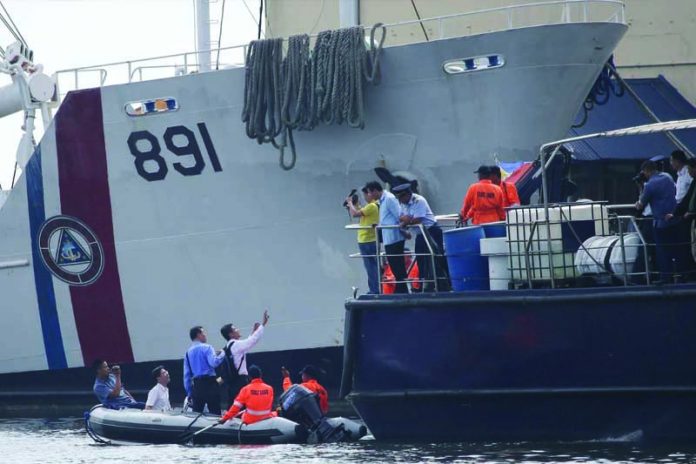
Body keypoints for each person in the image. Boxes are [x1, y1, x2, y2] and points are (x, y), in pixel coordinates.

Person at [393, 183, 445, 292]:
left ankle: (443, 284)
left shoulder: (418, 200)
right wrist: (405, 220)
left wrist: (405, 221)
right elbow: (402, 217)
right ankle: (423, 285)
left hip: (431, 231)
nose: (400, 200)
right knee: (421, 258)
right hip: (420, 233)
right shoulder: (403, 204)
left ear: (407, 194)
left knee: (437, 257)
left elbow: (418, 219)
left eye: (401, 197)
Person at [635, 160, 679, 281]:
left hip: (660, 221)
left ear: (646, 171)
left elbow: (640, 205)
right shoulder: (667, 176)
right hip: (674, 217)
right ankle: (678, 275)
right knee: (674, 248)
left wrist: (641, 188)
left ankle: (665, 277)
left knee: (661, 251)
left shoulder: (649, 185)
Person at [219, 309, 269, 409]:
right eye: (235, 329)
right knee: (243, 406)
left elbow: (246, 344)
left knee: (234, 405)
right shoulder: (236, 345)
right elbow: (251, 341)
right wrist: (263, 324)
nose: (238, 330)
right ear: (231, 334)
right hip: (240, 382)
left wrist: (254, 331)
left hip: (232, 383)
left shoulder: (228, 347)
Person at [366, 181, 408, 293]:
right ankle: (401, 289)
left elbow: (399, 215)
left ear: (375, 190)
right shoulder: (382, 201)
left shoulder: (389, 199)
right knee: (394, 265)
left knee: (397, 265)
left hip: (394, 237)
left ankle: (402, 290)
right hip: (388, 238)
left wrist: (403, 230)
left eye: (370, 193)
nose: (369, 195)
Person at [346, 183, 380, 294]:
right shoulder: (371, 206)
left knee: (371, 267)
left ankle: (375, 290)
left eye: (366, 194)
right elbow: (359, 212)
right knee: (371, 267)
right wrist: (354, 205)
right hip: (367, 240)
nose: (365, 197)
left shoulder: (372, 206)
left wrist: (350, 203)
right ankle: (375, 289)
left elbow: (355, 214)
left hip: (367, 240)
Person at [184, 326, 225, 414]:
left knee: (196, 414)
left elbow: (186, 375)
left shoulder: (188, 353)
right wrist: (222, 353)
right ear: (198, 335)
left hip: (197, 386)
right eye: (203, 333)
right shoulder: (207, 347)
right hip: (210, 384)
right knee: (215, 413)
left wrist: (189, 393)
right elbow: (214, 363)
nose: (205, 335)